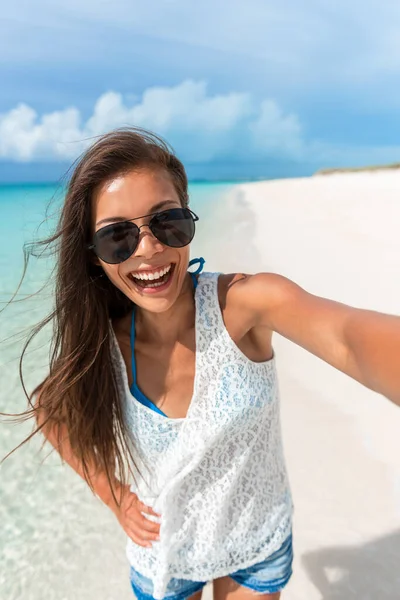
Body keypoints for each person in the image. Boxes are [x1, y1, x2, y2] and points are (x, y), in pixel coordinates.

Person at [4, 128, 400, 600]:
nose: (148, 248)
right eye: (118, 237)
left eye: (167, 222)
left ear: (190, 219)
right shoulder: (101, 347)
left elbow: (348, 338)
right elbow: (50, 410)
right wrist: (116, 498)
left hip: (256, 540)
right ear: (93, 258)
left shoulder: (245, 305)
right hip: (167, 553)